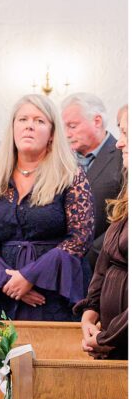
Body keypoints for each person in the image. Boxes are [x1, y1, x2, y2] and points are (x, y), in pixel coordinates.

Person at [0, 94, 94, 321]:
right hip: (6, 294)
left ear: (52, 134)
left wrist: (31, 276)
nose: (29, 126)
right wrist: (9, 281)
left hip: (55, 294)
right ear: (12, 128)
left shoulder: (70, 175)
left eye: (39, 121)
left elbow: (81, 237)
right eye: (23, 120)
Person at [75, 105, 127, 359]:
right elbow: (106, 255)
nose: (119, 144)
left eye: (126, 134)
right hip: (110, 337)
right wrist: (90, 310)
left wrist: (107, 337)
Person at [61, 93, 124, 268]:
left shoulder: (123, 156)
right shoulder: (63, 162)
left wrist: (90, 255)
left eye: (72, 126)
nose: (66, 134)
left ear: (96, 121)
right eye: (64, 127)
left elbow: (124, 217)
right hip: (62, 266)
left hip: (105, 264)